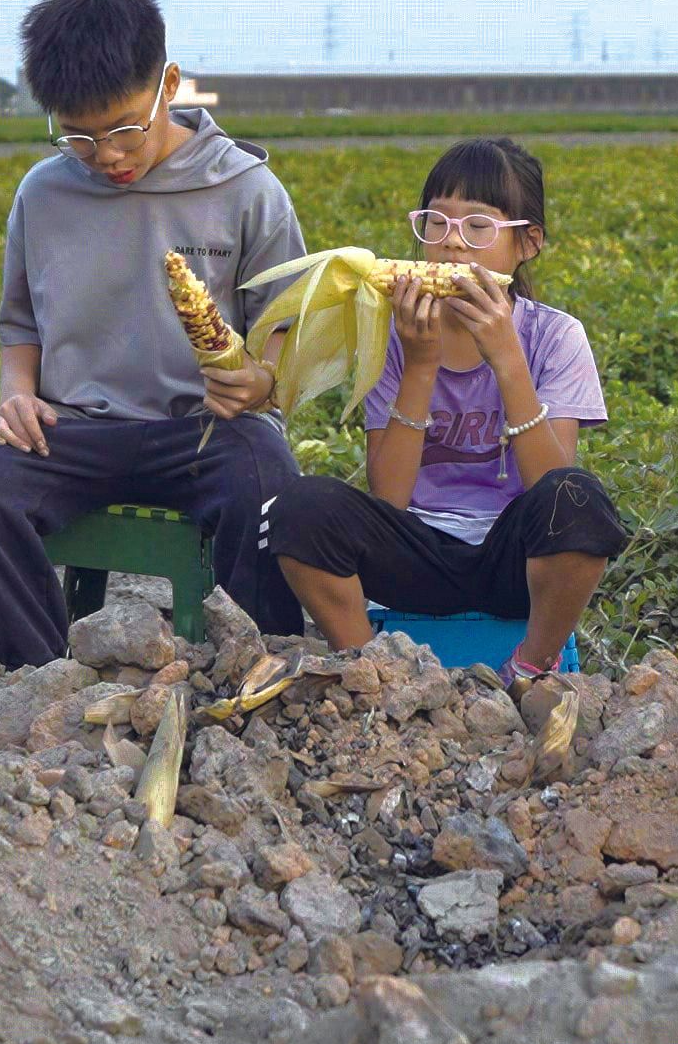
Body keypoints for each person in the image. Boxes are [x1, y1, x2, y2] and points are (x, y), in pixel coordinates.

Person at [0, 0, 307, 667]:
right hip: (77, 430)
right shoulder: (44, 195)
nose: (106, 155)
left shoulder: (245, 190)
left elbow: (285, 331)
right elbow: (19, 324)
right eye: (79, 137)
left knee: (271, 486)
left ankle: (259, 674)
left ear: (169, 85)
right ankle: (37, 677)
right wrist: (16, 397)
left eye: (125, 131)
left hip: (206, 432)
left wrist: (260, 382)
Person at [265, 138, 629, 686]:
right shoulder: (392, 333)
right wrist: (420, 364)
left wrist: (507, 358)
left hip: (513, 557)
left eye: (478, 228)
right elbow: (389, 497)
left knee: (580, 500)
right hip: (418, 552)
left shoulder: (555, 335)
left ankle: (529, 667)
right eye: (436, 223)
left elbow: (550, 487)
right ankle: (375, 675)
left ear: (527, 243)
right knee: (298, 509)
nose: (452, 246)